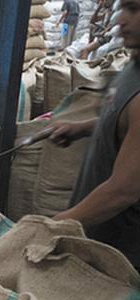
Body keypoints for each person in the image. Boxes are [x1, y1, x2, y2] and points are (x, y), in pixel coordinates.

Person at [49, 0, 140, 272]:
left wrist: (54, 225)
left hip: (121, 258)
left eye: (134, 9)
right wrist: (86, 127)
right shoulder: (132, 66)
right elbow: (126, 123)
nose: (121, 19)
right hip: (97, 238)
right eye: (121, 8)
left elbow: (123, 191)